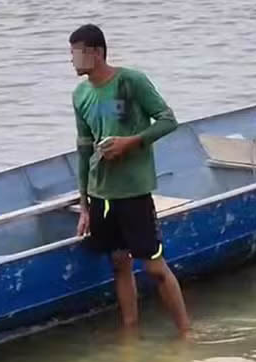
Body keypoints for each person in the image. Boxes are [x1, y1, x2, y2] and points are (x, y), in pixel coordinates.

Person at [70, 24, 190, 334]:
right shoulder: (81, 94)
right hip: (101, 195)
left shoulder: (131, 82)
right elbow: (83, 149)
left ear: (96, 53)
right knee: (119, 263)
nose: (72, 60)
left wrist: (130, 142)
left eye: (77, 53)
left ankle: (186, 332)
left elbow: (168, 121)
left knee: (154, 267)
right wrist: (84, 204)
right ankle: (130, 332)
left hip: (134, 192)